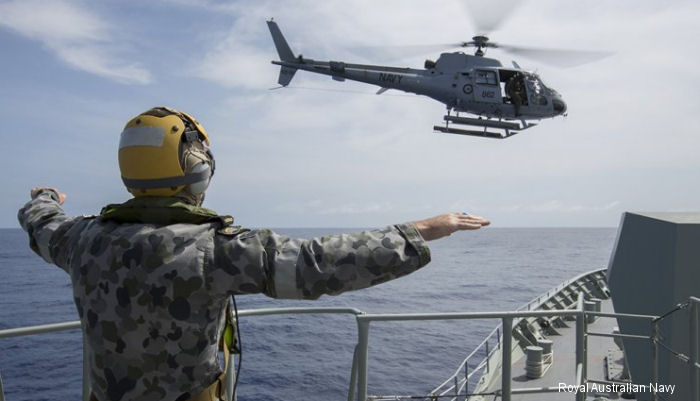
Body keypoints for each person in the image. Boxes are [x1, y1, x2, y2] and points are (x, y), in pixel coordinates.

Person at [18, 106, 490, 401]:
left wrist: (44, 197)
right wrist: (420, 232)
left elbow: (41, 223)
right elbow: (314, 265)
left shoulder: (81, 240)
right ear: (196, 169)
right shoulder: (214, 250)